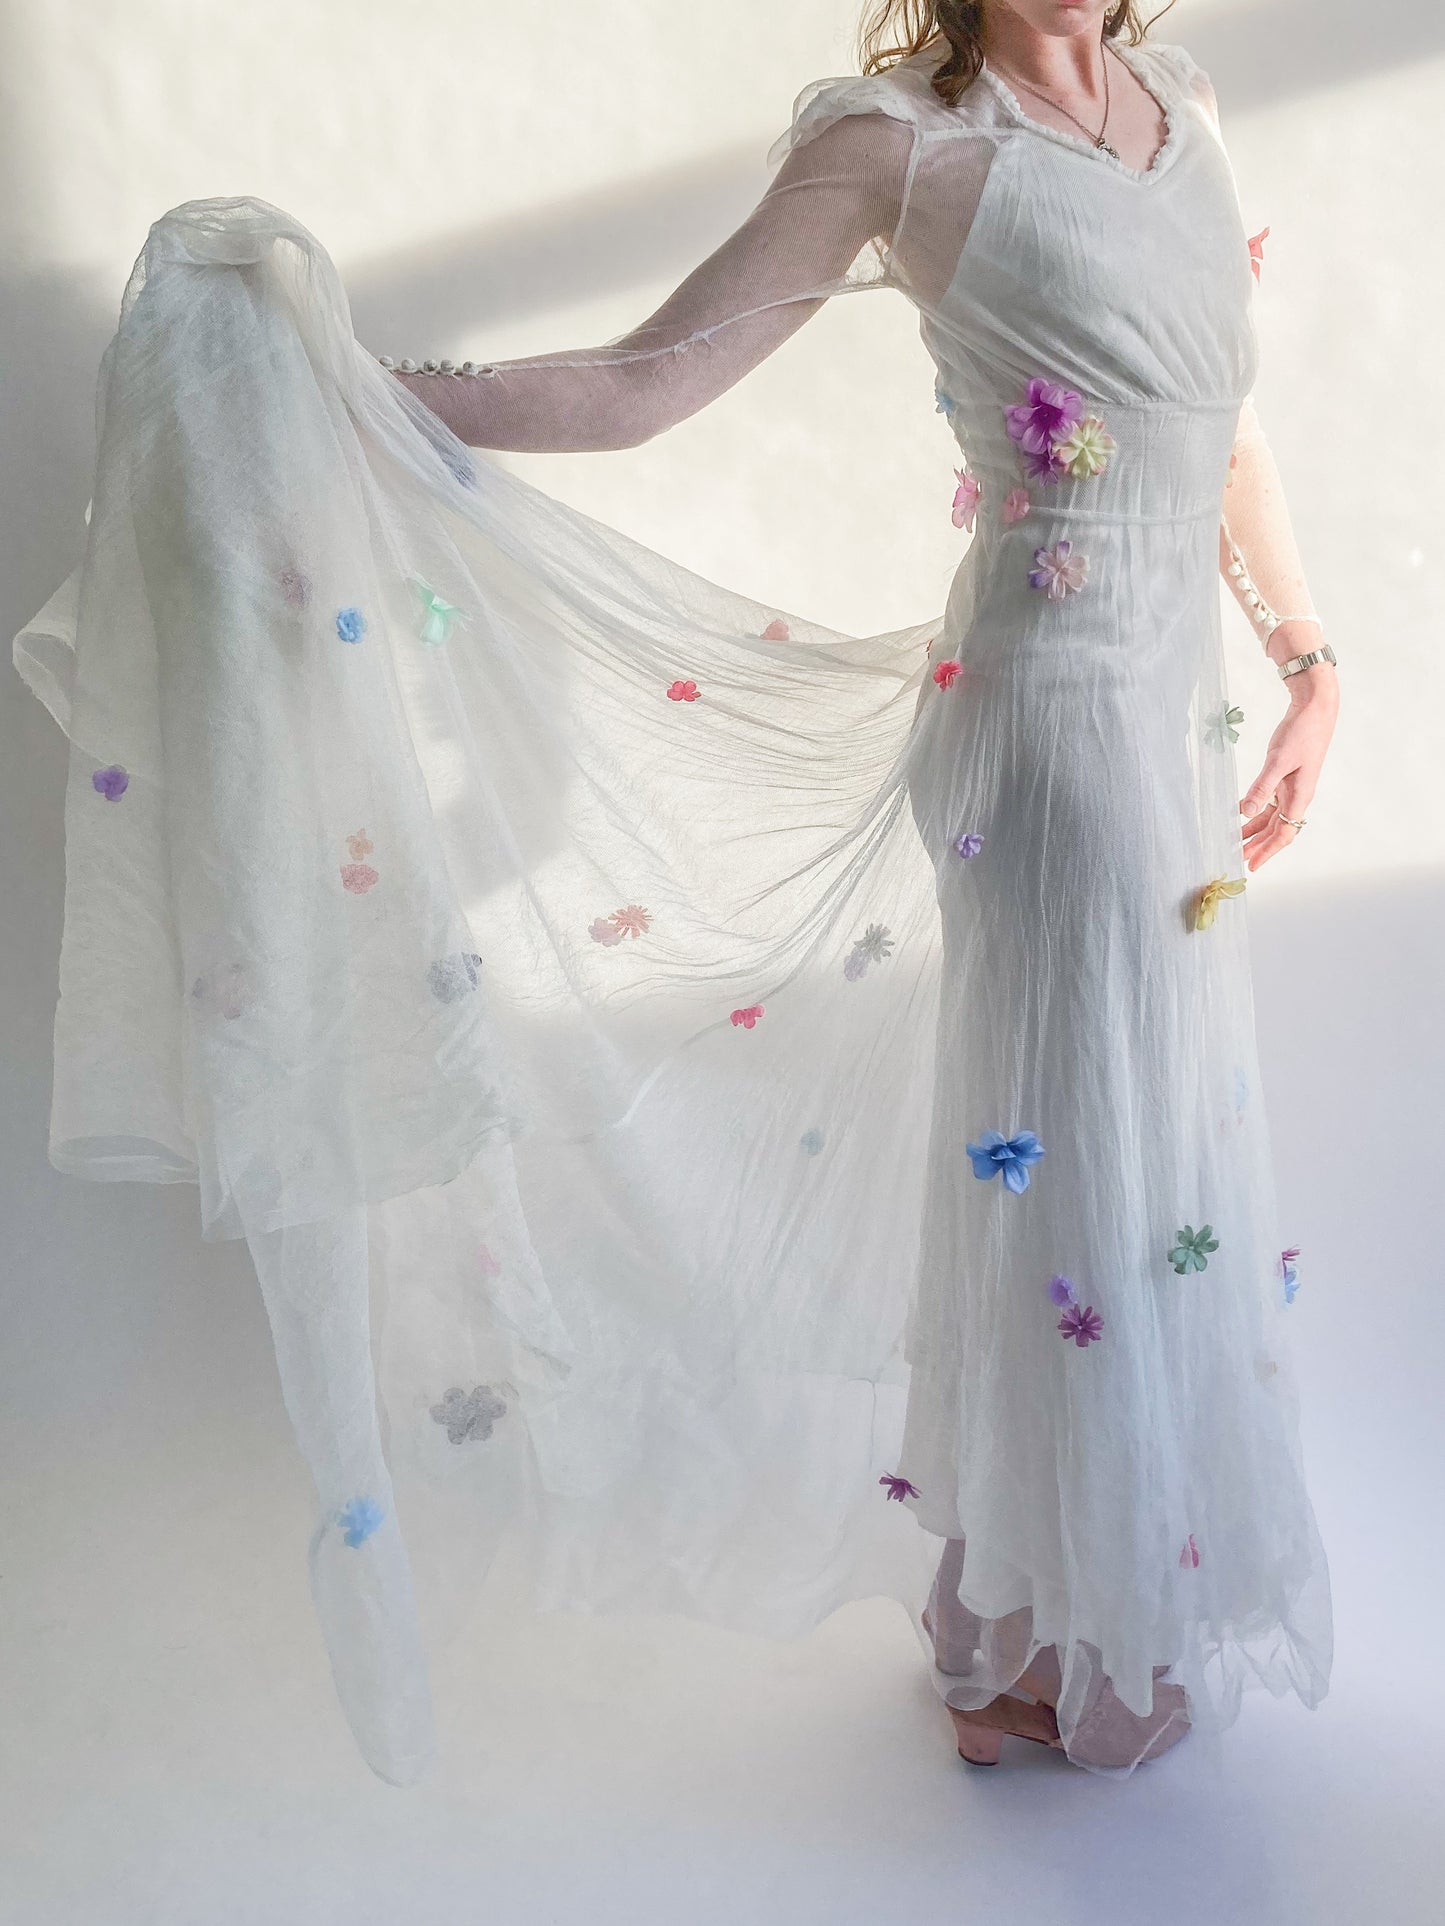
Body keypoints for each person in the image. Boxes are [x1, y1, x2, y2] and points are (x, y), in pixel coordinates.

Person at [13, 0, 1334, 1782]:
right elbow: (645, 387)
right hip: (1057, 733)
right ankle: (1051, 1644)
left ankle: (1030, 1615)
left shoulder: (1174, 104)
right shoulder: (906, 146)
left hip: (1177, 716)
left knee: (1141, 1149)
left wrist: (1309, 659)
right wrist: (350, 399)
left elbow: (1219, 416)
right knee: (1086, 1153)